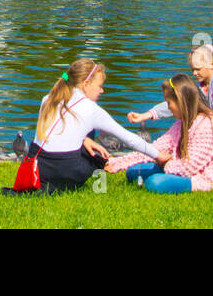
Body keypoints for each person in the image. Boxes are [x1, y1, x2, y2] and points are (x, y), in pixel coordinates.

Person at [28, 58, 169, 194]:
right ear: (86, 83)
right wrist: (158, 156)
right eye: (100, 86)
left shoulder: (48, 98)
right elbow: (129, 139)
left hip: (37, 167)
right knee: (98, 160)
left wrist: (84, 140)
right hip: (66, 172)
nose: (102, 91)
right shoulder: (91, 108)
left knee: (84, 140)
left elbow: (58, 133)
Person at [119, 74, 213, 193]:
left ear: (180, 101)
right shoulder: (180, 125)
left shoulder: (209, 125)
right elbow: (155, 148)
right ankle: (168, 176)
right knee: (133, 172)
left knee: (154, 182)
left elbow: (190, 167)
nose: (168, 108)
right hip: (181, 169)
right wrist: (117, 162)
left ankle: (169, 178)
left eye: (169, 103)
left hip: (204, 179)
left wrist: (165, 164)